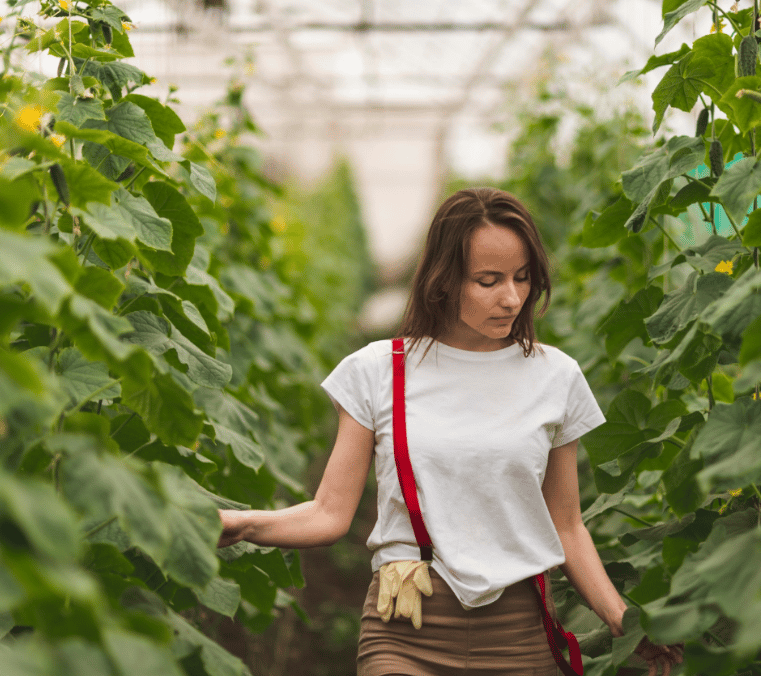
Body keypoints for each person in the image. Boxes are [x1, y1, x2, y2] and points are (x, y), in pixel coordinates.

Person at [218, 188, 684, 676]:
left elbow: (565, 524)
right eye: (488, 280)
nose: (511, 297)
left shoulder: (555, 376)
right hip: (404, 628)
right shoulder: (380, 370)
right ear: (443, 281)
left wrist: (622, 619)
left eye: (522, 278)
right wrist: (241, 524)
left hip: (518, 634)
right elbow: (330, 514)